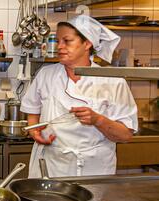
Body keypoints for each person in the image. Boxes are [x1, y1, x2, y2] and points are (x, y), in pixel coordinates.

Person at [21, 15, 138, 178]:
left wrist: (97, 120)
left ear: (87, 43)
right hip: (52, 164)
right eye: (57, 40)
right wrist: (35, 132)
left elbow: (125, 135)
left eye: (67, 41)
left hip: (94, 168)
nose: (59, 46)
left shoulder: (112, 81)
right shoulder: (46, 75)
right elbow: (32, 110)